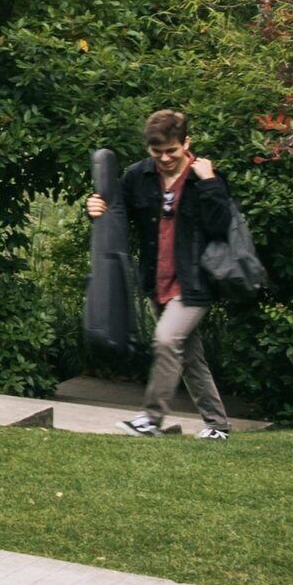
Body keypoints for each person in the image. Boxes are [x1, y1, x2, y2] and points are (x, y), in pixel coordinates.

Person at [85, 107, 236, 438]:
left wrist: (210, 183)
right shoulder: (138, 176)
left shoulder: (205, 177)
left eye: (172, 150)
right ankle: (218, 426)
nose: (165, 158)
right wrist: (94, 208)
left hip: (195, 283)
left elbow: (222, 226)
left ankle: (151, 419)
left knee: (167, 341)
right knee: (189, 356)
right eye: (157, 152)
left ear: (186, 143)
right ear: (148, 148)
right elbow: (114, 212)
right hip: (158, 281)